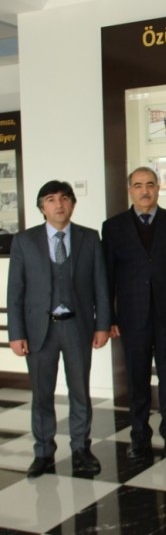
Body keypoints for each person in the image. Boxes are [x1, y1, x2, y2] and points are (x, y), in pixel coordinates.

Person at [7, 181, 111, 478]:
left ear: (73, 204)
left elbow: (101, 285)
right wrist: (16, 333)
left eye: (65, 198)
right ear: (42, 207)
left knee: (80, 391)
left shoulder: (89, 238)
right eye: (51, 199)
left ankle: (81, 449)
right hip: (39, 330)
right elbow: (15, 291)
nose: (59, 204)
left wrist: (102, 324)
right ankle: (43, 452)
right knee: (42, 394)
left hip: (77, 326)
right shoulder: (24, 241)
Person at [102, 167, 166, 459]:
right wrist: (109, 318)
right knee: (137, 379)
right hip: (131, 317)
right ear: (129, 190)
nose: (144, 191)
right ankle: (139, 436)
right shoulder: (113, 227)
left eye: (149, 185)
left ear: (158, 188)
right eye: (138, 185)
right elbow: (106, 277)